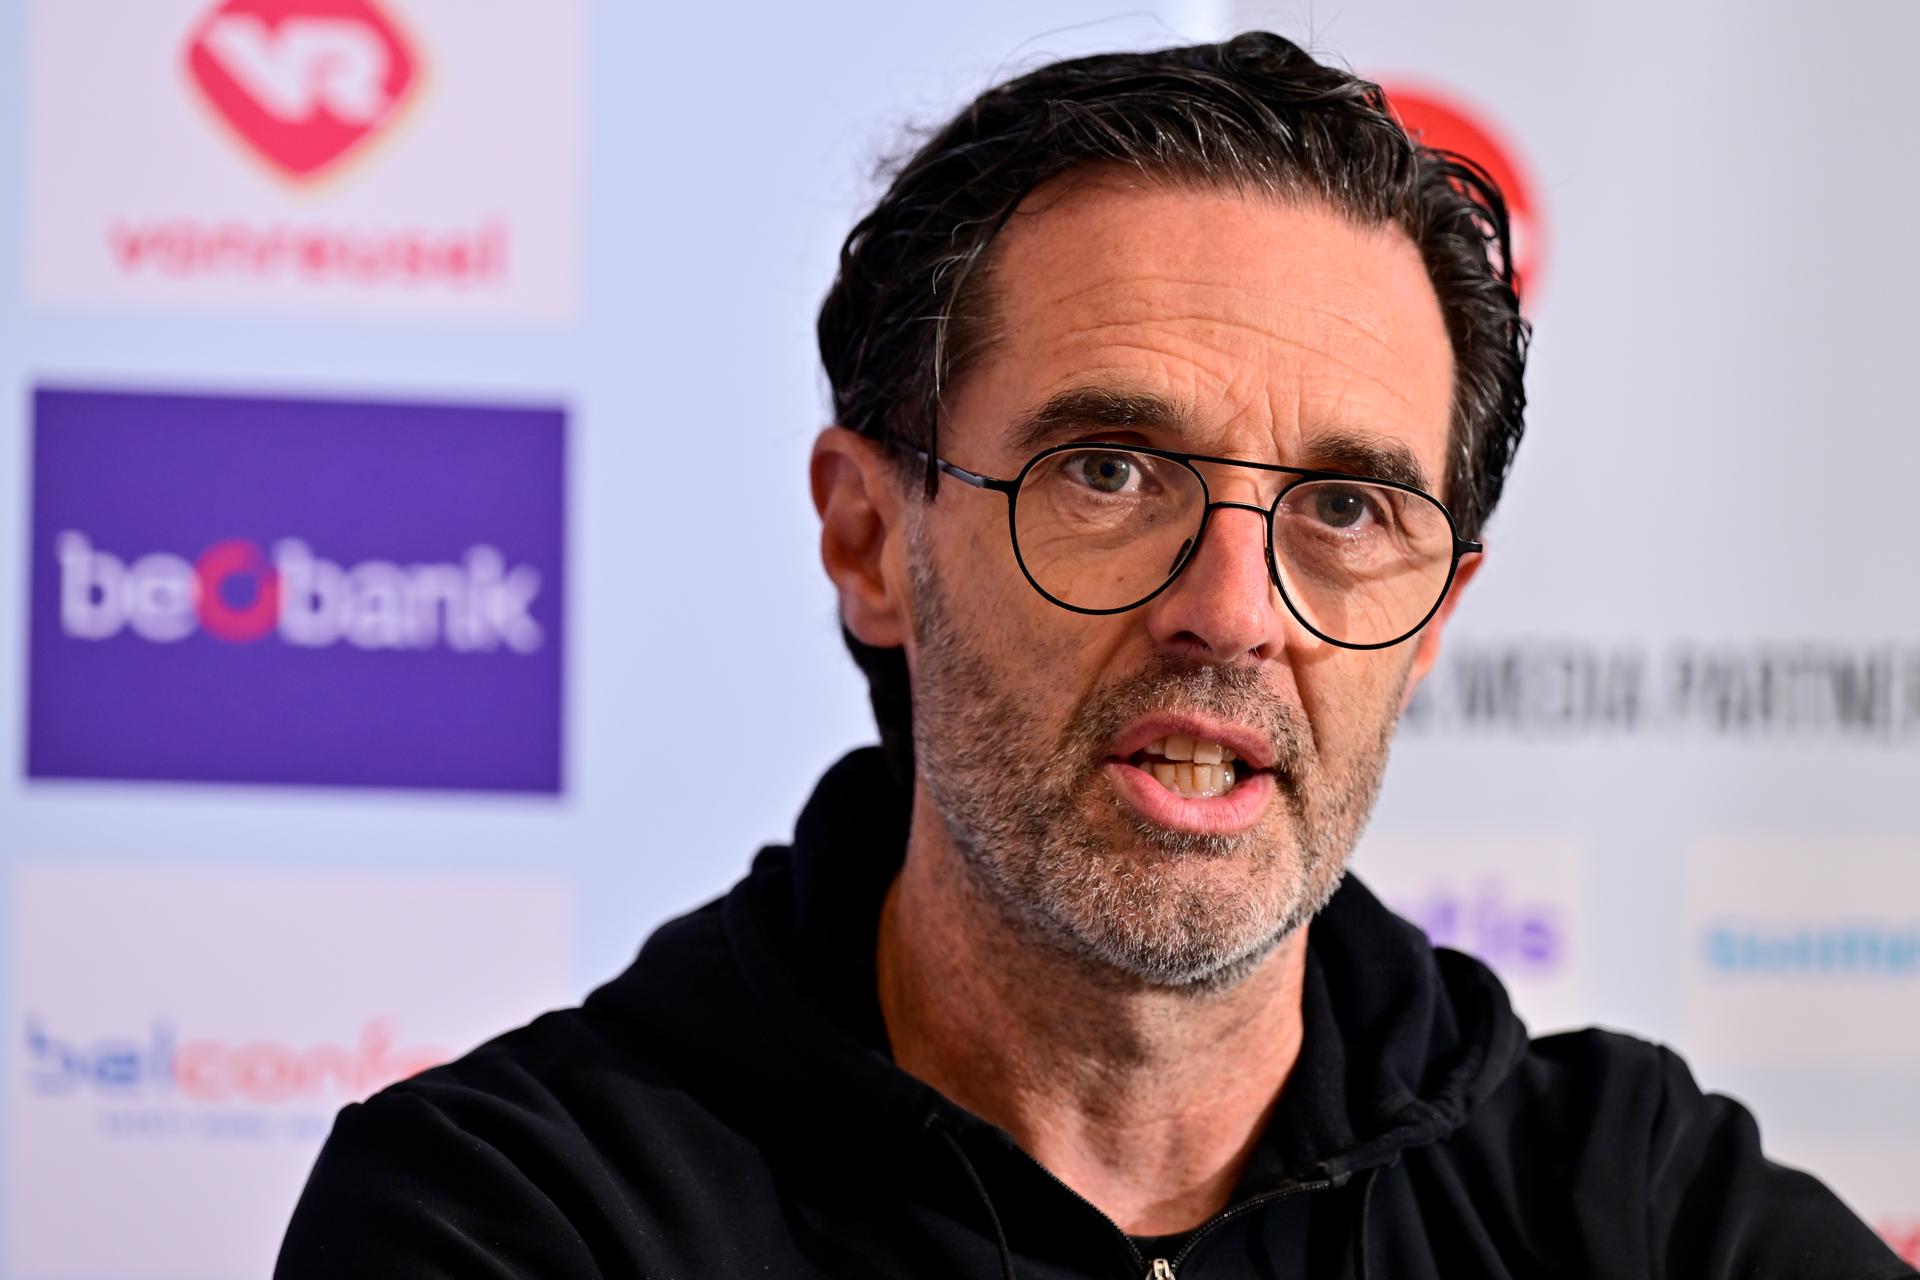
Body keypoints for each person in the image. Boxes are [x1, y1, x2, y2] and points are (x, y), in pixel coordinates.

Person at [276, 33, 1915, 1280]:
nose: (1234, 607)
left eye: (1345, 506)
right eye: (1112, 473)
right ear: (869, 540)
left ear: (1434, 624)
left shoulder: (1630, 1208)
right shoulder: (520, 1216)